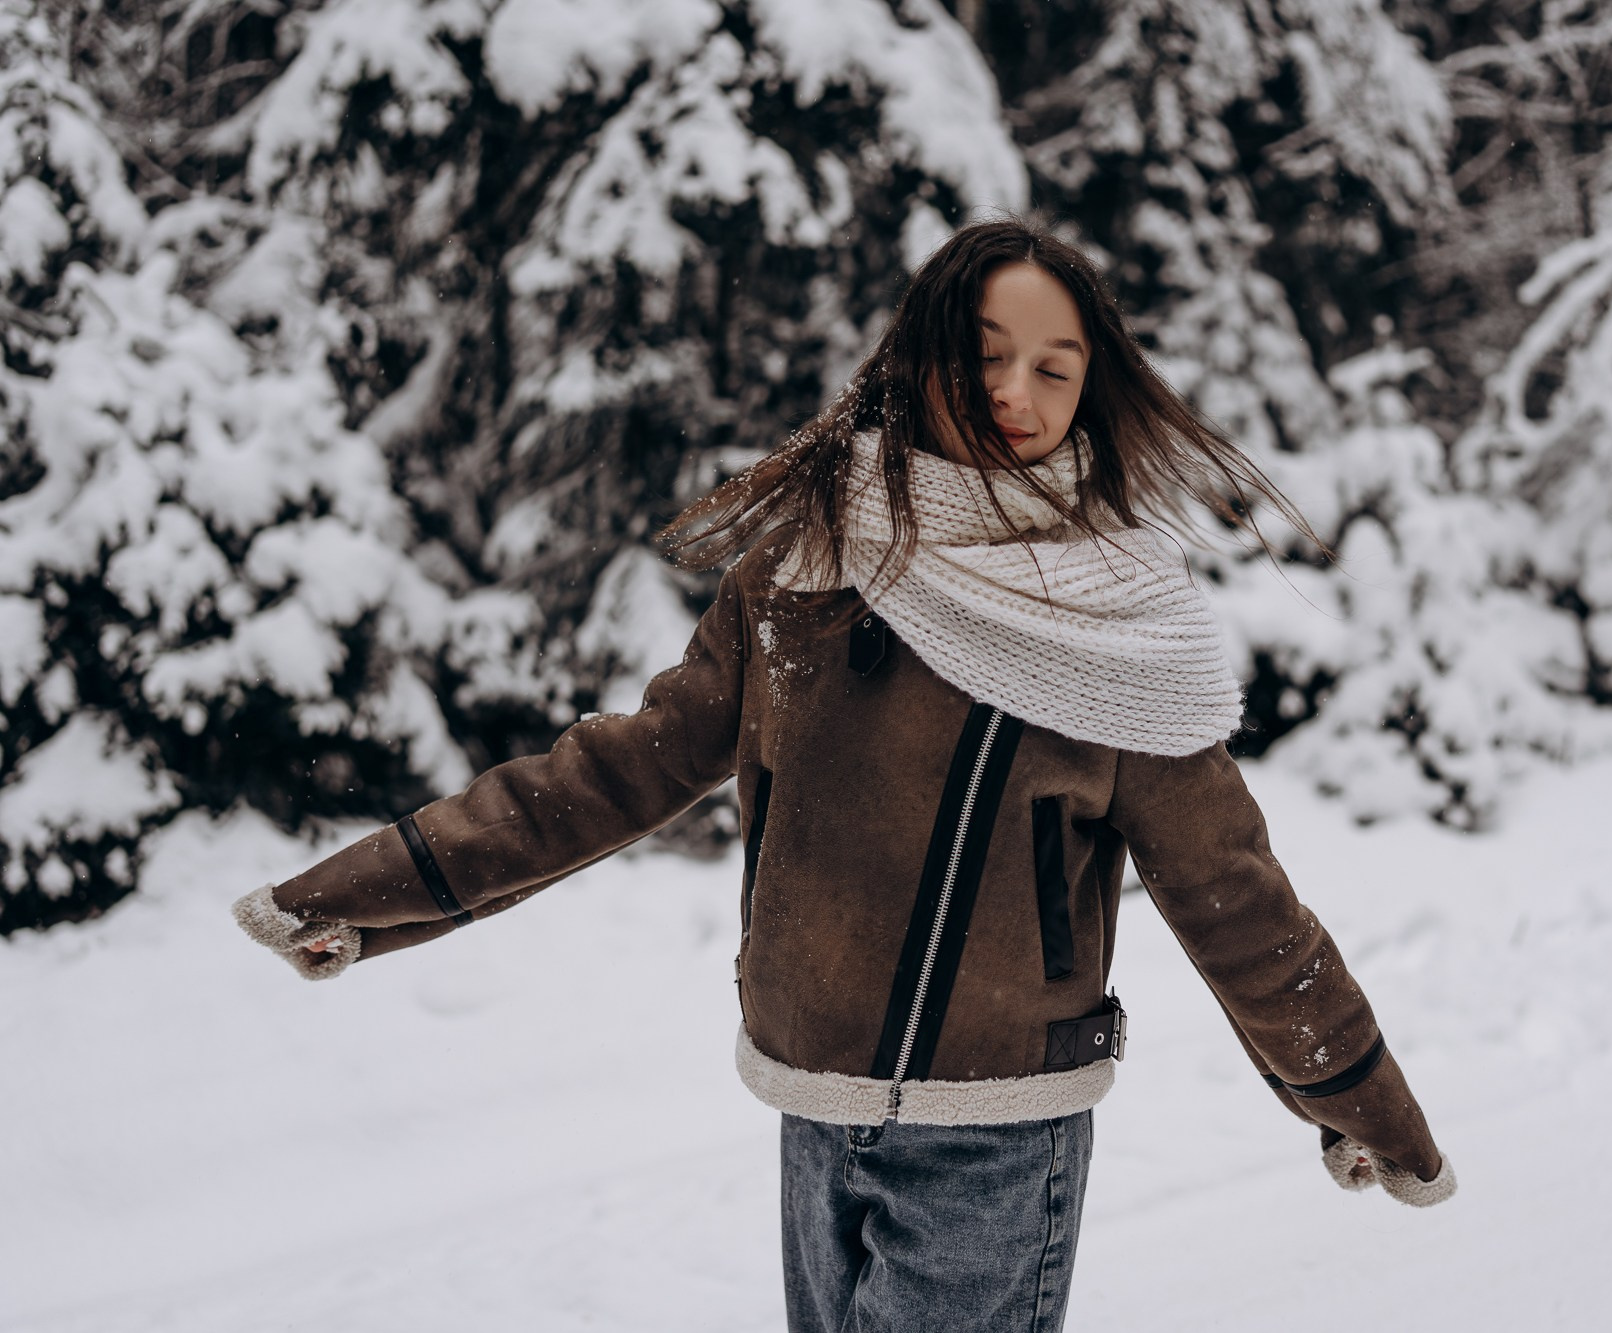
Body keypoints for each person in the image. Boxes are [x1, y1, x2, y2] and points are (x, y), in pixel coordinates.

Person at [232, 216, 1455, 1332]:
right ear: (919, 356)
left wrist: (1358, 1099)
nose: (1014, 392)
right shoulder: (806, 563)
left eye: (1053, 367)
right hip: (811, 1102)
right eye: (984, 354)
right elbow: (617, 772)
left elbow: (1232, 896)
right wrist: (376, 888)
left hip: (997, 1134)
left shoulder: (1117, 619)